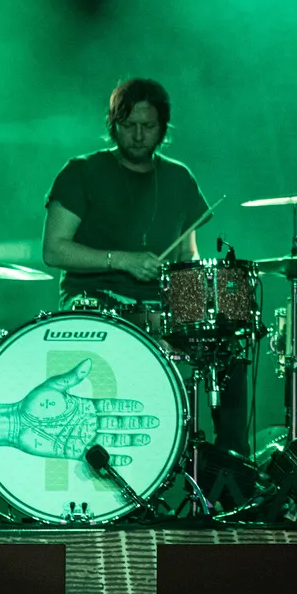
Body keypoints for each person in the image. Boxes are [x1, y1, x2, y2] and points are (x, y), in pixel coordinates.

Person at [41, 78, 251, 458]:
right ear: (113, 125)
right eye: (129, 125)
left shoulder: (179, 177)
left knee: (227, 348)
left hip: (160, 308)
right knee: (138, 332)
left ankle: (230, 465)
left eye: (148, 126)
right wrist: (122, 260)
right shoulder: (81, 171)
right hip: (95, 302)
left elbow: (186, 253)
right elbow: (54, 250)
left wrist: (197, 304)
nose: (138, 136)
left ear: (163, 128)